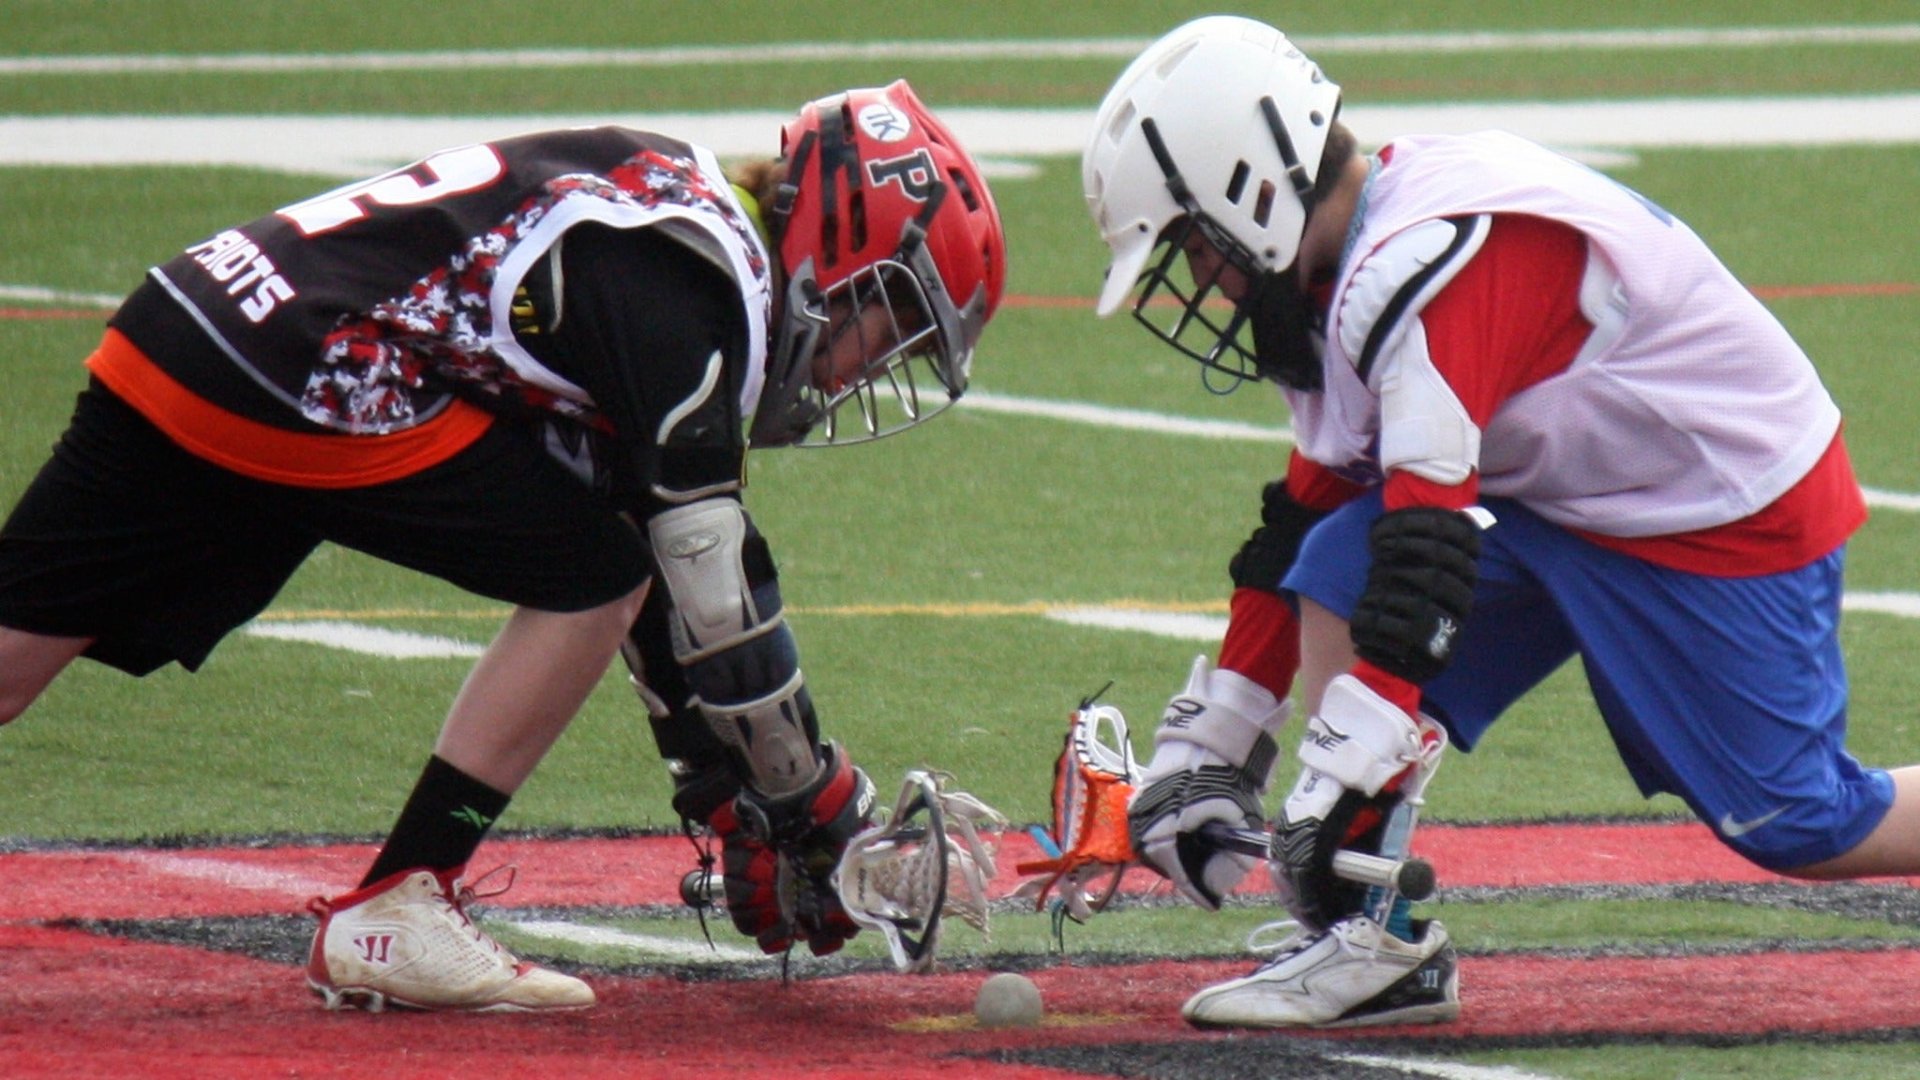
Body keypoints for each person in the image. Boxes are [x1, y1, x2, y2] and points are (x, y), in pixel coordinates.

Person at [0, 79, 1005, 1013]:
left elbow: (640, 530)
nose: (871, 365)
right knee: (591, 581)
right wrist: (807, 792)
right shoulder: (695, 278)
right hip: (315, 369)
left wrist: (715, 779)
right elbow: (696, 575)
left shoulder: (670, 206)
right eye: (896, 320)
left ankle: (400, 901)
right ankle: (400, 902)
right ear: (842, 243)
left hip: (196, 322)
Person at [1083, 14, 1918, 1029]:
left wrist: (1340, 778)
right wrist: (1220, 741)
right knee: (1332, 564)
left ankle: (1357, 893)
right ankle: (1373, 943)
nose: (1200, 282)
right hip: (1570, 489)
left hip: (1716, 509)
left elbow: (1426, 555)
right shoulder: (1346, 265)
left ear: (1247, 189)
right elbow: (1303, 518)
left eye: (1189, 244)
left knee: (1801, 823)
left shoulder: (1430, 263)